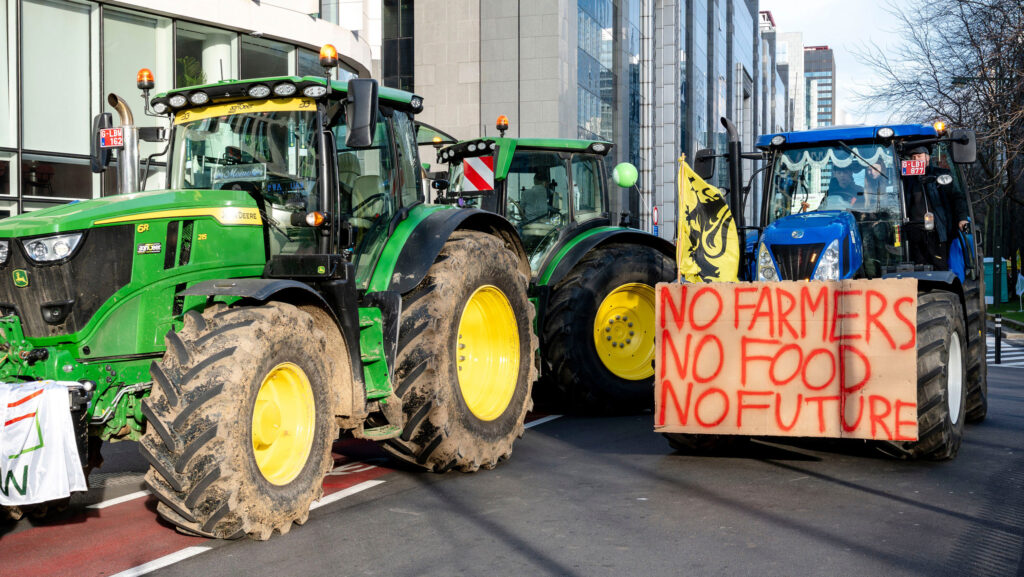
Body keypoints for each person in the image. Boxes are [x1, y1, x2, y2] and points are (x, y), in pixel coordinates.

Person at [901, 146, 969, 270]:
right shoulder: (904, 179)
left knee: (940, 266)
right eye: (913, 157)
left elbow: (957, 197)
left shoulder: (941, 175)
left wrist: (962, 218)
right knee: (917, 269)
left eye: (919, 156)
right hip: (913, 233)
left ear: (927, 157)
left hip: (937, 231)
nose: (916, 160)